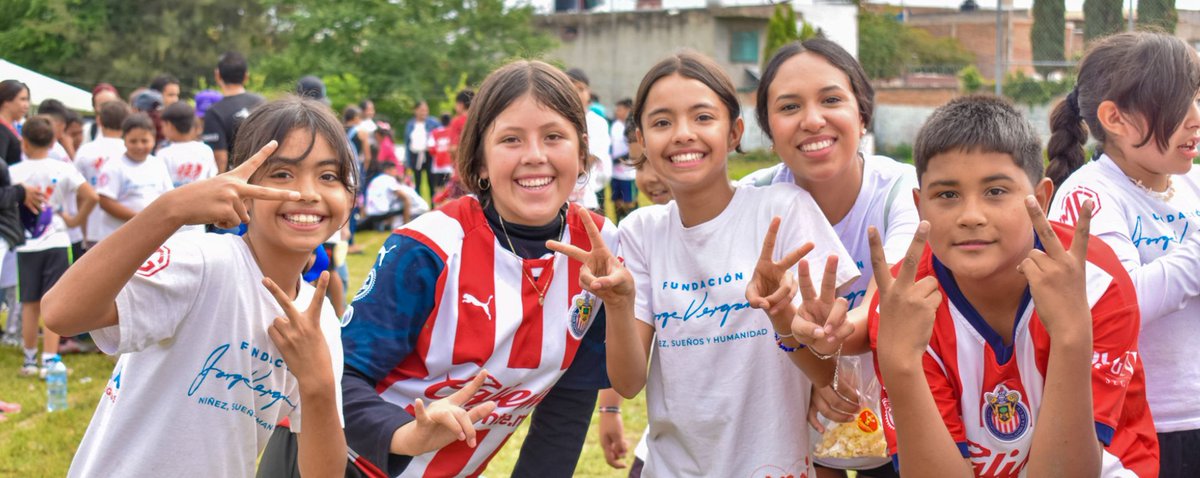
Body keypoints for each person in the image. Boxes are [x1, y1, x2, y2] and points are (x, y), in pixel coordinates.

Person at [337, 59, 622, 477]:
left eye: (553, 136)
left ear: (581, 153)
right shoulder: (429, 247)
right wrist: (404, 435)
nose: (535, 156)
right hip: (339, 462)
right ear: (481, 160)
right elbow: (336, 378)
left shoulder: (599, 248)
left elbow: (568, 405)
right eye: (511, 139)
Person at [43, 96, 352, 477]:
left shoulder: (320, 323)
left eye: (328, 176)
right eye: (282, 174)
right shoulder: (202, 263)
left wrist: (318, 383)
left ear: (350, 196)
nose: (306, 192)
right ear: (240, 186)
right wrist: (171, 209)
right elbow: (61, 313)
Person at [865, 95, 1158, 477]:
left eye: (996, 191)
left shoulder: (1095, 281)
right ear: (920, 207)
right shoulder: (903, 304)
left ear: (1041, 199)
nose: (971, 216)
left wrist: (1070, 337)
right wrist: (900, 366)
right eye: (947, 195)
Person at [610, 51, 858, 477]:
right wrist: (618, 303)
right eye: (662, 122)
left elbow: (827, 374)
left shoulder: (783, 210)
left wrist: (783, 316)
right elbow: (628, 383)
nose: (683, 134)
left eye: (703, 117)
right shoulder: (640, 232)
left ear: (734, 132)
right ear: (642, 140)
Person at [737, 38, 920, 478]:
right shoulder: (751, 200)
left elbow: (884, 309)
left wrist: (823, 354)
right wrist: (812, 377)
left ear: (862, 112)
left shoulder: (902, 191)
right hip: (795, 415)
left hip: (899, 409)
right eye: (789, 107)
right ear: (768, 128)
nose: (813, 120)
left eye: (831, 100)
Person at [1044, 32, 1200, 477]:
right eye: (1179, 103)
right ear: (1114, 117)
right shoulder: (1087, 196)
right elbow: (1121, 305)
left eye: (1197, 98)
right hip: (1141, 427)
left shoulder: (1193, 184)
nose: (1195, 118)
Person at [596, 116, 671, 474]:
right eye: (640, 164)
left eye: (660, 161)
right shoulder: (641, 232)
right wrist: (609, 408)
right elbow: (627, 325)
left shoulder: (759, 211)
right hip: (670, 441)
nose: (650, 177)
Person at [12, 116, 98, 377]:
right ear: (53, 142)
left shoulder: (14, 172)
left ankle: (29, 360)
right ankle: (50, 359)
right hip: (58, 241)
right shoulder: (63, 168)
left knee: (29, 303)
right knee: (52, 301)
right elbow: (91, 196)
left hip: (26, 244)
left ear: (24, 142)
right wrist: (75, 220)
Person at [95, 113, 176, 236]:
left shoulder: (158, 164)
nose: (139, 146)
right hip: (119, 235)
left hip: (152, 234)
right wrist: (140, 218)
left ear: (153, 140)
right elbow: (105, 201)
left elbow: (168, 196)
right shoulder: (113, 166)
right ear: (124, 140)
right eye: (133, 141)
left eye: (144, 141)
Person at [74, 100, 129, 248]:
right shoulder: (129, 151)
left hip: (93, 228)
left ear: (99, 120)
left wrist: (82, 228)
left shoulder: (85, 151)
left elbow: (78, 194)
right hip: (126, 227)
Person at [202, 51, 265, 172]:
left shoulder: (214, 112)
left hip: (236, 177)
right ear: (246, 76)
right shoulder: (262, 102)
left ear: (217, 75)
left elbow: (220, 158)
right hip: (264, 172)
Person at [565, 68, 611, 211]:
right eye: (571, 89)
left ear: (588, 92)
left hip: (586, 199)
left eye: (581, 89)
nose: (577, 94)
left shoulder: (597, 123)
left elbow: (590, 159)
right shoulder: (557, 121)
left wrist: (564, 171)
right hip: (559, 200)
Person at [158, 102, 217, 188]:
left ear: (169, 125)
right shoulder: (206, 150)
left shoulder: (163, 154)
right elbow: (212, 179)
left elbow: (162, 186)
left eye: (163, 126)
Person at [360, 161, 425, 231]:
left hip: (370, 213)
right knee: (404, 203)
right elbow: (405, 197)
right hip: (381, 213)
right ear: (387, 170)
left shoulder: (375, 179)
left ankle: (383, 224)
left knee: (393, 201)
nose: (396, 172)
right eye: (394, 169)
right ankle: (404, 226)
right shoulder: (389, 179)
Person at [404, 100, 441, 200]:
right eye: (421, 110)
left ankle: (433, 204)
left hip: (429, 155)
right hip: (415, 156)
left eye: (426, 110)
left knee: (431, 182)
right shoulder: (410, 124)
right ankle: (419, 204)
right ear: (415, 110)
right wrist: (407, 161)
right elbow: (407, 143)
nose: (424, 112)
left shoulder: (433, 123)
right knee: (417, 182)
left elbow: (441, 135)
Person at [609, 98, 637, 222]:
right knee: (617, 201)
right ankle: (618, 224)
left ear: (628, 110)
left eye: (619, 109)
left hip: (628, 173)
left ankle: (633, 224)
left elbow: (634, 149)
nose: (617, 112)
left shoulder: (632, 126)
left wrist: (620, 159)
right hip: (615, 173)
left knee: (629, 202)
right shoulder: (615, 125)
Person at [0, 80, 30, 165]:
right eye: (22, 99)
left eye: (27, 100)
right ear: (6, 101)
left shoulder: (11, 127)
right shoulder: (1, 131)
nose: (27, 105)